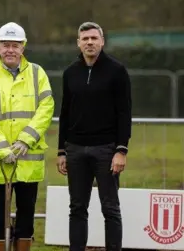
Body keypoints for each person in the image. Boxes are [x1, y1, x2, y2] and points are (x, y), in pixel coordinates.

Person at [0, 22, 54, 251]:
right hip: (0, 161)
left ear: (23, 47)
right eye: (5, 45)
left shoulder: (38, 74)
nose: (10, 49)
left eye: (15, 45)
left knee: (27, 211)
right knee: (0, 210)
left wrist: (25, 140)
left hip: (29, 157)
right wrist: (3, 149)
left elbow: (46, 108)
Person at [56, 22, 131, 251]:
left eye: (94, 38)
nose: (89, 42)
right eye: (85, 38)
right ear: (78, 43)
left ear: (102, 41)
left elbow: (124, 113)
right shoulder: (70, 73)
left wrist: (121, 150)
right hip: (76, 150)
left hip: (106, 150)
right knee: (77, 208)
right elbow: (65, 113)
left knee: (110, 209)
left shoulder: (117, 71)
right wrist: (61, 151)